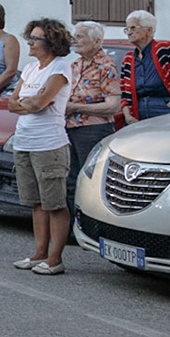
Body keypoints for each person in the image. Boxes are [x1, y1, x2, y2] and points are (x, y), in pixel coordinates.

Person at [6, 17, 75, 274]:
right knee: (36, 202)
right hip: (24, 141)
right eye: (30, 37)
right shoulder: (31, 68)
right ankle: (39, 253)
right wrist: (28, 103)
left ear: (51, 42)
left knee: (54, 202)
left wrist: (27, 104)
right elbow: (11, 102)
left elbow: (39, 103)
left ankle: (55, 259)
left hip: (49, 144)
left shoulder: (60, 68)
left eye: (35, 39)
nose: (30, 43)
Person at [64, 21, 123, 209]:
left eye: (80, 37)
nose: (75, 40)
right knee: (70, 180)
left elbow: (113, 105)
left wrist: (75, 107)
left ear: (97, 41)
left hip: (92, 129)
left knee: (88, 180)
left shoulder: (105, 67)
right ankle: (70, 230)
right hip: (69, 127)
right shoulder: (75, 64)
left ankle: (87, 226)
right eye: (75, 36)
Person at [118, 9, 170, 121]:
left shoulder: (165, 49)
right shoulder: (128, 59)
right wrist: (128, 116)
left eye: (133, 28)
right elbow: (124, 94)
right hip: (138, 113)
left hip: (165, 109)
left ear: (149, 30)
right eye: (127, 29)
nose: (129, 32)